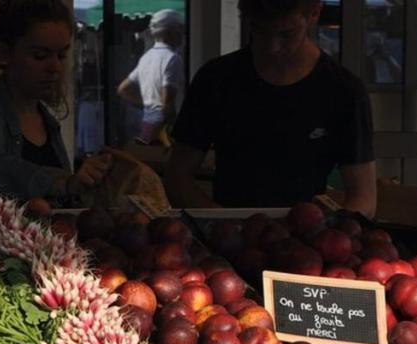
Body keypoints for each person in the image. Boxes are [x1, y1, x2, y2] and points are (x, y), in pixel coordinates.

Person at [164, 0, 376, 216]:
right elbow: (177, 176)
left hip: (308, 238)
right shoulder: (216, 79)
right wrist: (219, 221)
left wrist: (334, 232)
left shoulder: (343, 91)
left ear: (314, 13)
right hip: (228, 241)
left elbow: (364, 197)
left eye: (287, 34)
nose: (272, 47)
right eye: (259, 30)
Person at [0, 0, 110, 201]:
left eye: (62, 55)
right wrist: (62, 182)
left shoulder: (49, 122)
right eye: (40, 56)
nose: (55, 67)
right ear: (4, 52)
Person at [117, 10, 185, 145]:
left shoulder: (147, 57)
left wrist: (148, 103)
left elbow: (123, 89)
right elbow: (167, 105)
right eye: (180, 29)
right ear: (171, 32)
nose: (182, 34)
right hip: (161, 127)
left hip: (147, 121)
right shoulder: (173, 58)